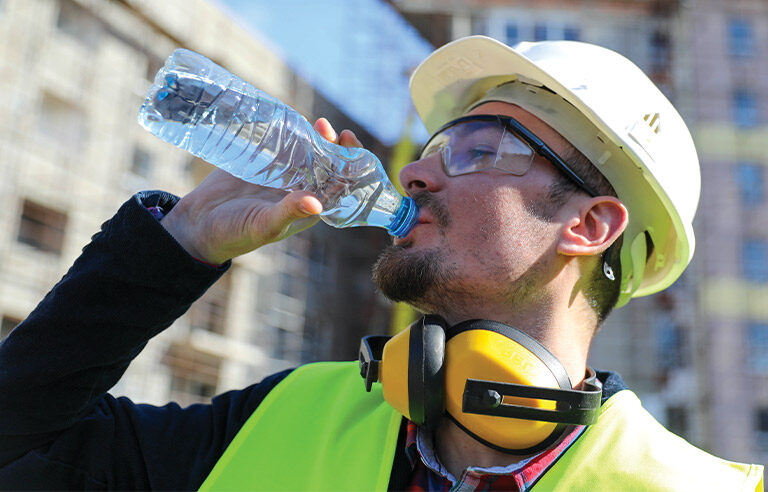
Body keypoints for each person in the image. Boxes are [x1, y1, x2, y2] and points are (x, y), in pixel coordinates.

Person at [0, 35, 763, 491]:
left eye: (478, 149)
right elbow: (20, 451)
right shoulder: (285, 415)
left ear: (590, 225)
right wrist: (179, 243)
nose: (416, 173)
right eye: (433, 147)